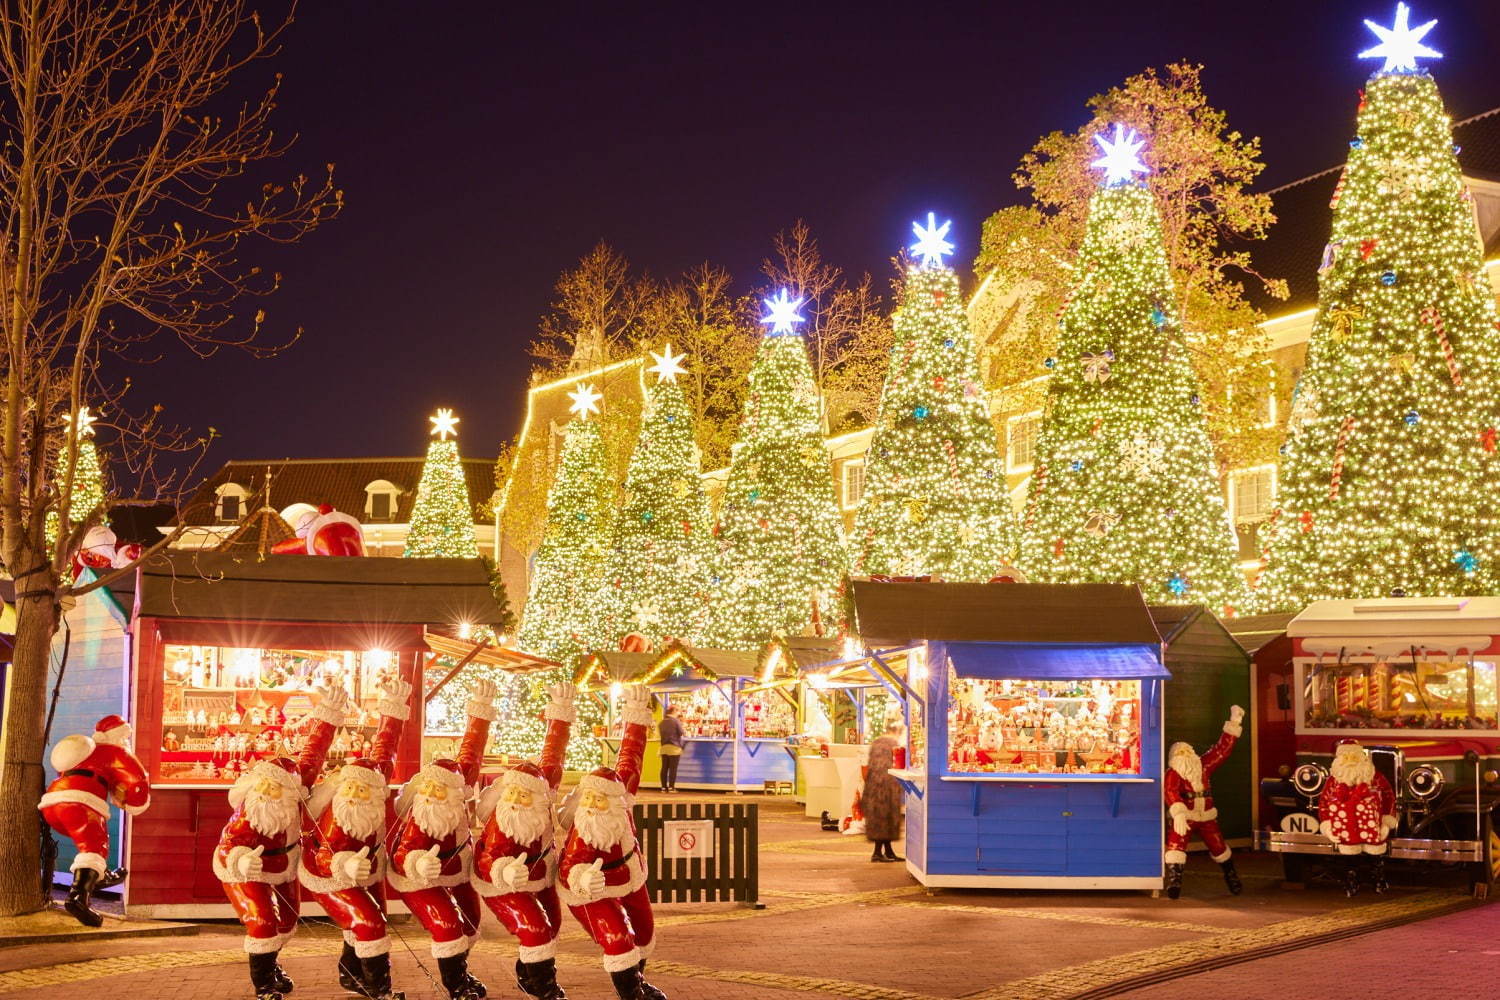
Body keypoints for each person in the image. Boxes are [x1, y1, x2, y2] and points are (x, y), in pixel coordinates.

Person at [215, 687, 349, 1000]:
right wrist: (240, 859)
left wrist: (328, 713)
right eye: (268, 788)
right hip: (244, 868)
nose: (274, 794)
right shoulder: (251, 811)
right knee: (262, 922)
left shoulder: (296, 786)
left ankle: (271, 966)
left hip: (284, 863)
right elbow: (229, 843)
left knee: (287, 923)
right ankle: (264, 986)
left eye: (280, 789)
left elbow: (314, 751)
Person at [387, 679, 498, 1000]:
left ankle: (459, 971)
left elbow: (472, 751)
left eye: (442, 789)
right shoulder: (422, 816)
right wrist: (419, 861)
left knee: (470, 923)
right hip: (416, 878)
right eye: (431, 789)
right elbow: (403, 854)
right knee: (448, 926)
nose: (436, 794)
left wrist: (480, 711)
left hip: (456, 870)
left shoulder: (457, 793)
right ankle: (456, 987)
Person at [299, 679, 409, 1000]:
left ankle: (352, 975)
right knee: (369, 921)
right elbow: (310, 758)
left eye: (365, 790)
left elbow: (385, 747)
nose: (359, 794)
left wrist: (393, 709)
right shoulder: (338, 812)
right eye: (353, 789)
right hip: (326, 873)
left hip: (367, 866)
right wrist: (328, 715)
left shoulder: (375, 780)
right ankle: (381, 992)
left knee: (364, 921)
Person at [558, 685, 665, 1000]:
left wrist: (635, 715)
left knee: (643, 933)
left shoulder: (622, 802)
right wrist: (581, 876)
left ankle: (638, 978)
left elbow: (631, 756)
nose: (592, 803)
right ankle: (630, 992)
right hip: (591, 888)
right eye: (588, 797)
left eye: (599, 798)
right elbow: (568, 866)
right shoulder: (586, 825)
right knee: (618, 937)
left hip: (629, 877)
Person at [472, 682, 577, 1000]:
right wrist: (503, 870)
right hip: (502, 881)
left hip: (539, 874)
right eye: (515, 792)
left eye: (526, 793)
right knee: (536, 928)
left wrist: (560, 713)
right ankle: (544, 989)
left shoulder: (542, 788)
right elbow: (489, 858)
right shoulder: (505, 818)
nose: (521, 798)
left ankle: (529, 975)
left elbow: (553, 755)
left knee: (551, 925)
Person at [40, 714, 152, 926]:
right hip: (81, 802)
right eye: (125, 736)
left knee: (89, 846)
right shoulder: (116, 751)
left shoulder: (86, 752)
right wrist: (134, 803)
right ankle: (77, 898)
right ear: (118, 736)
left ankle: (99, 877)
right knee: (95, 848)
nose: (126, 740)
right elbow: (137, 780)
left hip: (53, 803)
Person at [1162, 706, 1245, 899]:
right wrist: (1178, 812)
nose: (1185, 755)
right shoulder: (1173, 773)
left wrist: (1234, 723)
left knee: (1219, 846)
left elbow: (1221, 751)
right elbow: (1170, 791)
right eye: (1181, 752)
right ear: (1174, 758)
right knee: (1176, 843)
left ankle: (1230, 874)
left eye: (1187, 750)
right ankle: (1175, 879)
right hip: (1186, 815)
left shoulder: (1203, 766)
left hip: (1207, 815)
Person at [1319, 739, 1398, 897]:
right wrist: (1327, 824)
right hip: (1346, 828)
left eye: (1353, 756)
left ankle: (1378, 879)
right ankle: (1351, 880)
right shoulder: (1334, 781)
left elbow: (1389, 796)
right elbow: (1324, 802)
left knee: (1375, 854)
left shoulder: (1375, 778)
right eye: (1345, 757)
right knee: (1349, 856)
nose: (1350, 761)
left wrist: (1386, 820)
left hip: (1372, 826)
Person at [863, 722, 904, 863]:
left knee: (879, 820)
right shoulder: (894, 743)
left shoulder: (876, 742)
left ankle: (888, 851)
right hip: (888, 786)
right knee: (886, 820)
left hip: (873, 786)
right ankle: (877, 853)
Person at [656, 705, 684, 793]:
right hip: (674, 747)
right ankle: (671, 787)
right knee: (673, 768)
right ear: (673, 711)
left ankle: (663, 787)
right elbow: (681, 732)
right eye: (677, 711)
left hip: (664, 747)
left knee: (664, 767)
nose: (678, 713)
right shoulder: (675, 721)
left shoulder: (661, 722)